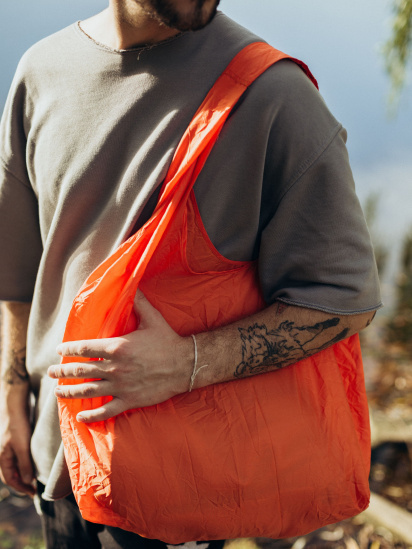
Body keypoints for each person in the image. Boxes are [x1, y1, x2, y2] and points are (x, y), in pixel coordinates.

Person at [0, 1, 382, 548]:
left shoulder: (273, 96)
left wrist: (188, 364)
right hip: (54, 464)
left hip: (175, 487)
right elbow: (16, 271)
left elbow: (346, 300)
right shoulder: (41, 72)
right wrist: (11, 396)